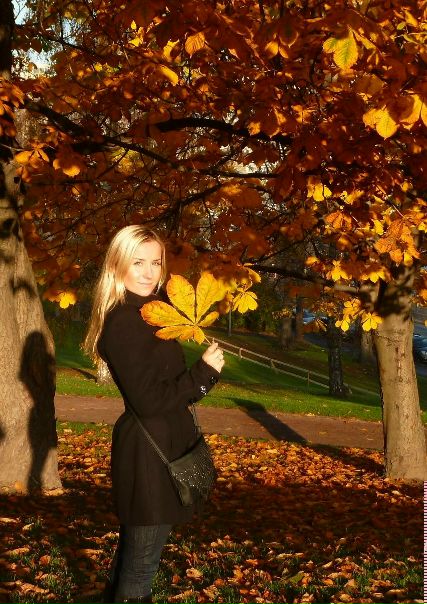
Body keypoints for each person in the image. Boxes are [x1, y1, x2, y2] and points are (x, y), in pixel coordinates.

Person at [84, 225, 224, 604]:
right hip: (149, 456)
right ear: (117, 265)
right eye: (138, 262)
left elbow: (164, 383)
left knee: (134, 557)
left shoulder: (151, 314)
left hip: (164, 446)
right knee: (140, 568)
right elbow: (149, 400)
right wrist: (204, 374)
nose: (149, 272)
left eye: (156, 263)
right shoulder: (124, 322)